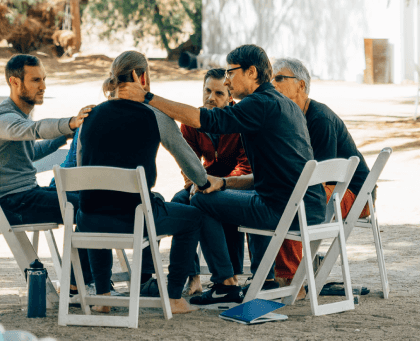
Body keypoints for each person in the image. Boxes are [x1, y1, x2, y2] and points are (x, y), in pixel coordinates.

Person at [117, 44, 327, 306]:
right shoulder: (285, 104)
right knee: (212, 192)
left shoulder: (258, 103)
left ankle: (225, 284)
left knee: (200, 200)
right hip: (311, 208)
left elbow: (205, 119)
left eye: (231, 72)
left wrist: (147, 97)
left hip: (283, 210)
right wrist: (224, 182)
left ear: (251, 72)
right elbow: (268, 176)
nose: (227, 80)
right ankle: (240, 278)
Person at [76, 50, 212, 314]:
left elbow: (82, 168)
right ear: (142, 77)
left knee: (96, 205)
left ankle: (103, 295)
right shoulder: (154, 114)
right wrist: (204, 183)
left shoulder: (89, 116)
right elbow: (192, 166)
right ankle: (173, 296)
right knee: (193, 218)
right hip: (134, 217)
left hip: (89, 218)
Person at [0, 53, 95, 289]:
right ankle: (78, 284)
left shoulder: (19, 116)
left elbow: (31, 152)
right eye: (36, 80)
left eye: (44, 79)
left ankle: (78, 282)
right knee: (90, 207)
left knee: (90, 200)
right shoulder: (3, 118)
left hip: (23, 197)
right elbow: (35, 130)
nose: (43, 86)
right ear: (14, 82)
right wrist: (70, 122)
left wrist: (66, 134)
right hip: (11, 204)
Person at [271, 57, 374, 287]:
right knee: (274, 198)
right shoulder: (286, 118)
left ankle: (290, 282)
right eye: (271, 79)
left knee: (295, 201)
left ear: (301, 86)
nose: (273, 84)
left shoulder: (319, 119)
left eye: (279, 78)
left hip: (354, 193)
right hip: (324, 188)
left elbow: (325, 178)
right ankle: (269, 275)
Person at [171, 68, 252, 295]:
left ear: (230, 97)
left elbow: (245, 167)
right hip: (204, 182)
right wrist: (193, 184)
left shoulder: (241, 121)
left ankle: (228, 278)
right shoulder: (191, 122)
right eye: (207, 91)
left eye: (218, 93)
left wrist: (219, 184)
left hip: (236, 184)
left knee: (205, 204)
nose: (211, 98)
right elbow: (188, 162)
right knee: (180, 202)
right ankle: (193, 277)